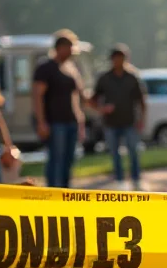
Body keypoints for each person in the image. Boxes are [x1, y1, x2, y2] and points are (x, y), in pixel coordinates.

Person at [33, 30, 86, 188]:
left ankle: (65, 192)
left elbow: (77, 96)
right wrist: (41, 122)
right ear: (59, 48)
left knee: (69, 160)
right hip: (54, 123)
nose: (72, 52)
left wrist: (81, 120)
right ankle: (53, 193)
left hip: (71, 121)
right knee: (56, 159)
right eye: (69, 48)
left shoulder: (70, 68)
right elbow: (37, 96)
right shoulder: (45, 68)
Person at [91, 44, 147, 190]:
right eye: (116, 58)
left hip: (130, 122)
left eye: (122, 58)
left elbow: (141, 100)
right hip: (111, 123)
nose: (119, 61)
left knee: (133, 151)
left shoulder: (132, 77)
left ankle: (136, 179)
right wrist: (102, 109)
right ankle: (120, 181)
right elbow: (93, 99)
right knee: (115, 154)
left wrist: (142, 120)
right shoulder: (104, 78)